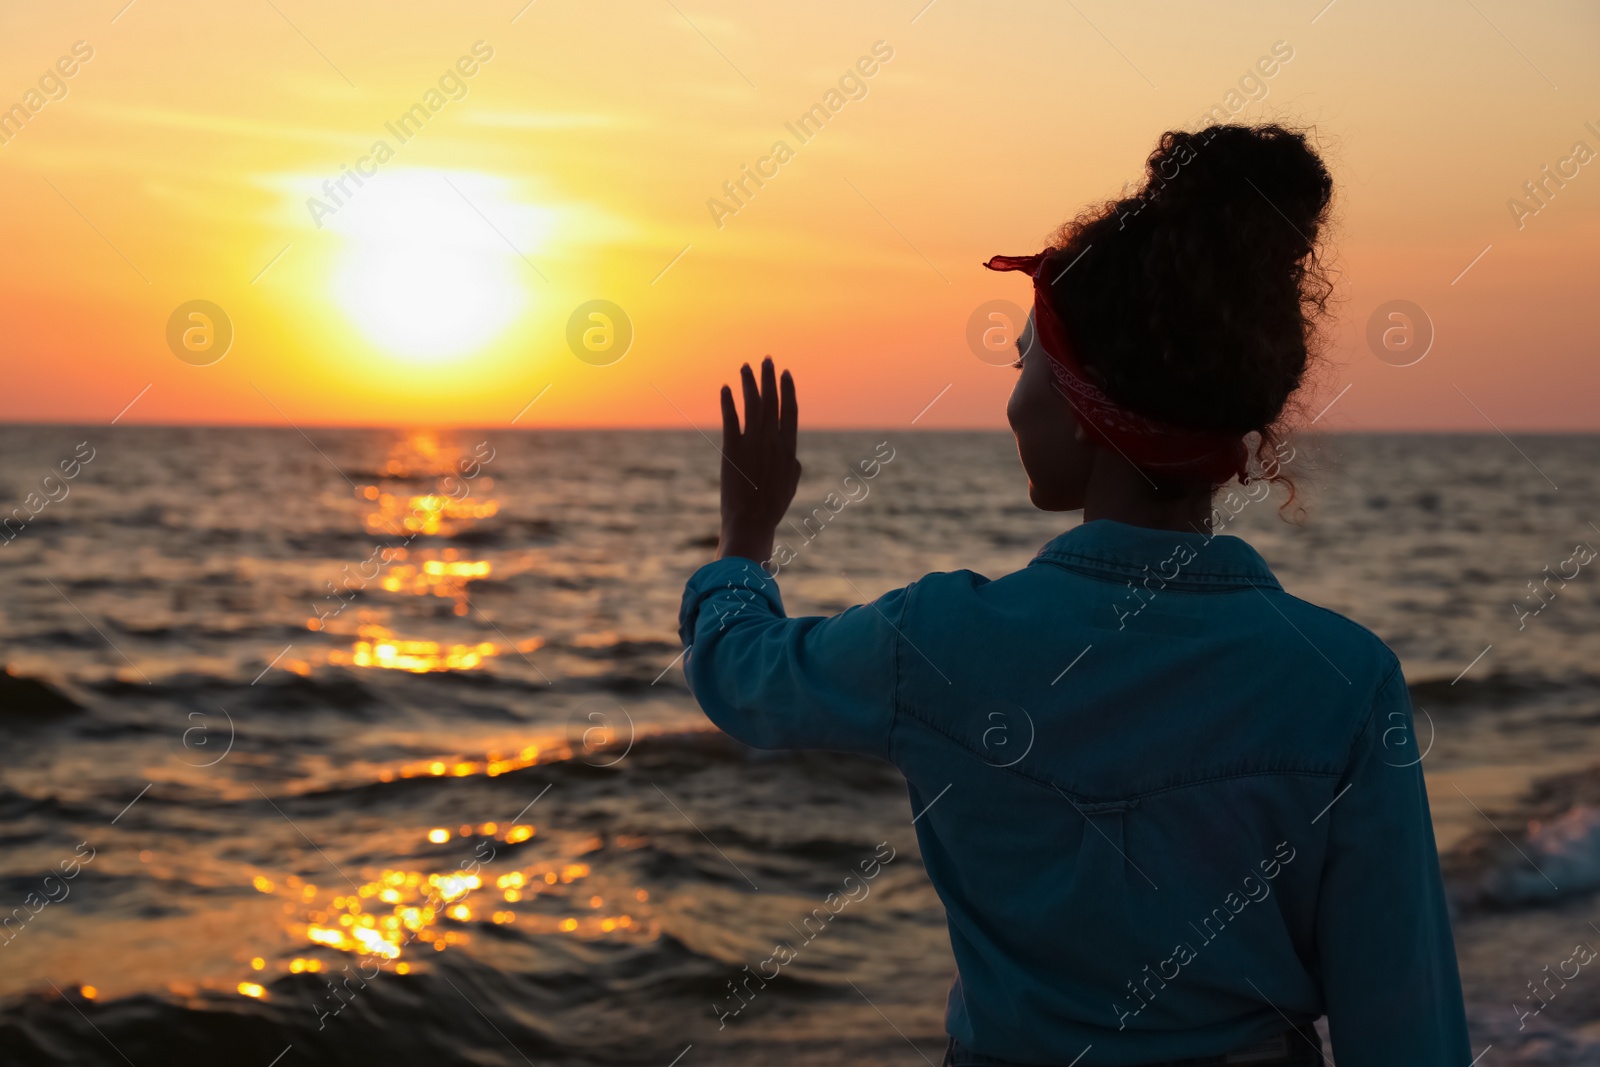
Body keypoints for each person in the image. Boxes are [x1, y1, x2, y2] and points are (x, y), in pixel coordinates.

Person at [677, 124, 1470, 1066]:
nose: (1013, 399)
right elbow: (1405, 1019)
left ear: (1087, 411)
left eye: (1024, 361)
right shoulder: (1345, 678)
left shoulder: (938, 641)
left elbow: (742, 677)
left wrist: (748, 538)